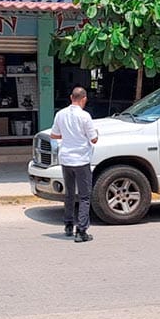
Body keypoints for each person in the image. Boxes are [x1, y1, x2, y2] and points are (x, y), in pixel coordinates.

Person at [50, 87, 98, 243]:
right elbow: (94, 139)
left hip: (66, 159)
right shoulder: (85, 116)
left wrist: (68, 135)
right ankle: (81, 230)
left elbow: (54, 135)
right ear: (84, 99)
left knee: (69, 194)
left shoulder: (60, 114)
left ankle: (68, 225)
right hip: (81, 160)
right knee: (84, 196)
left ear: (71, 97)